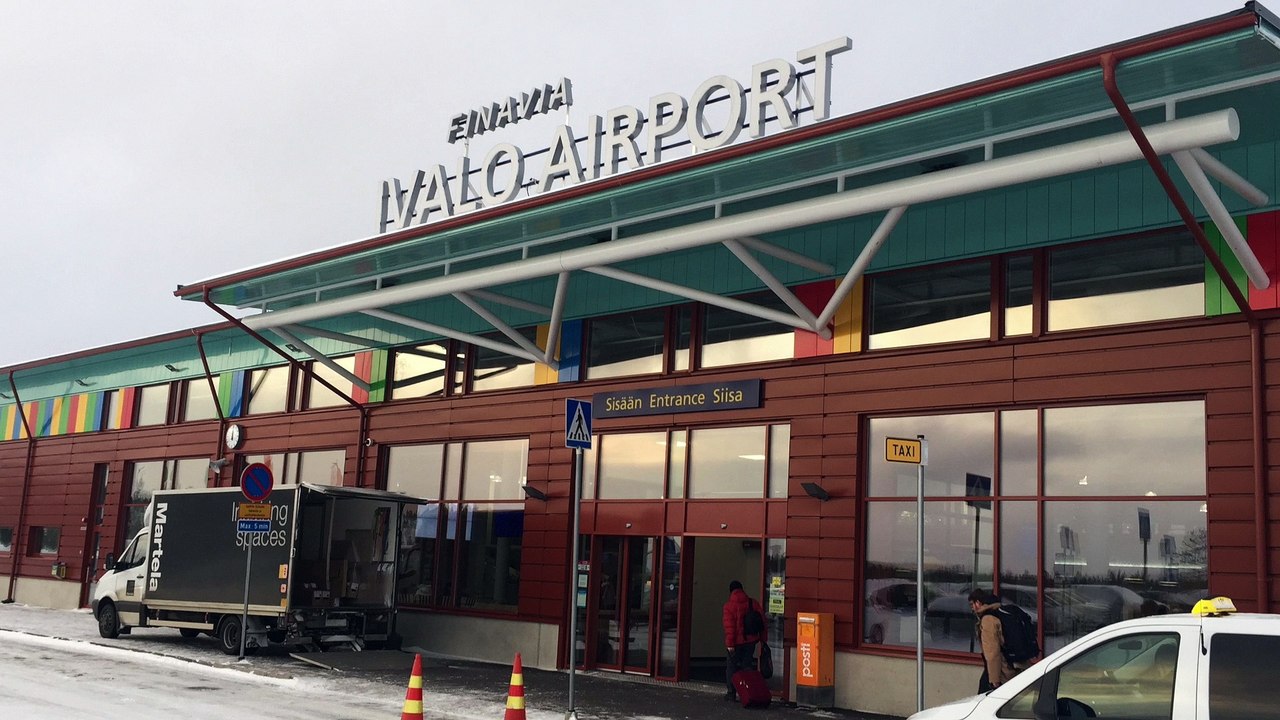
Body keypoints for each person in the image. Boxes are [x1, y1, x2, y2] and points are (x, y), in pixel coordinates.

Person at [722, 580, 767, 701]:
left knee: (731, 667)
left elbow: (730, 628)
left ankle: (731, 693)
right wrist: (763, 639)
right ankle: (747, 693)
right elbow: (762, 622)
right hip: (751, 641)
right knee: (746, 666)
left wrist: (730, 644)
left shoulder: (728, 606)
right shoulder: (753, 603)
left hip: (736, 643)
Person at [969, 589, 1017, 693]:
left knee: (982, 702)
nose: (972, 608)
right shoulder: (1000, 614)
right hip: (1012, 666)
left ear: (978, 603)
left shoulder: (988, 620)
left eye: (972, 604)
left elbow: (992, 652)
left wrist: (994, 680)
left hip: (1001, 671)